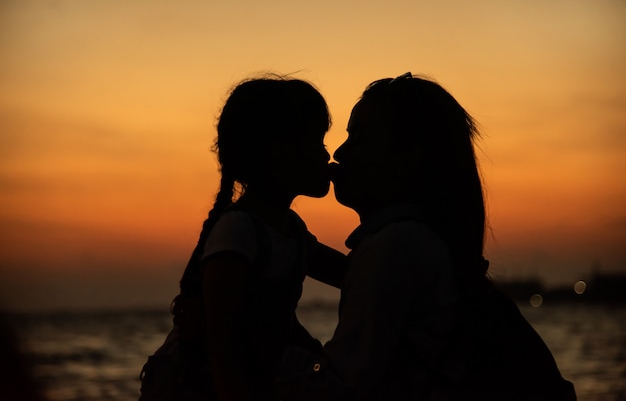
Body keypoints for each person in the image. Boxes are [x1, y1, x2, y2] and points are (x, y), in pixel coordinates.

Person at [278, 73, 576, 400]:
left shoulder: (394, 247)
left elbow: (341, 387)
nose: (340, 152)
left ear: (407, 160)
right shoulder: (422, 241)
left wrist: (259, 348)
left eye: (360, 139)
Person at [142, 75, 346, 401]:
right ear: (280, 152)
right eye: (317, 143)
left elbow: (350, 276)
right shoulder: (239, 231)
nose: (327, 156)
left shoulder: (291, 231)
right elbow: (222, 342)